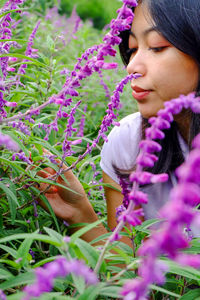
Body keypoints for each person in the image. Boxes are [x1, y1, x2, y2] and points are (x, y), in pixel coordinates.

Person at [38, 0, 200, 246]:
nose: (132, 67)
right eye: (133, 48)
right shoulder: (129, 141)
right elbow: (123, 273)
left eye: (156, 46)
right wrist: (79, 212)